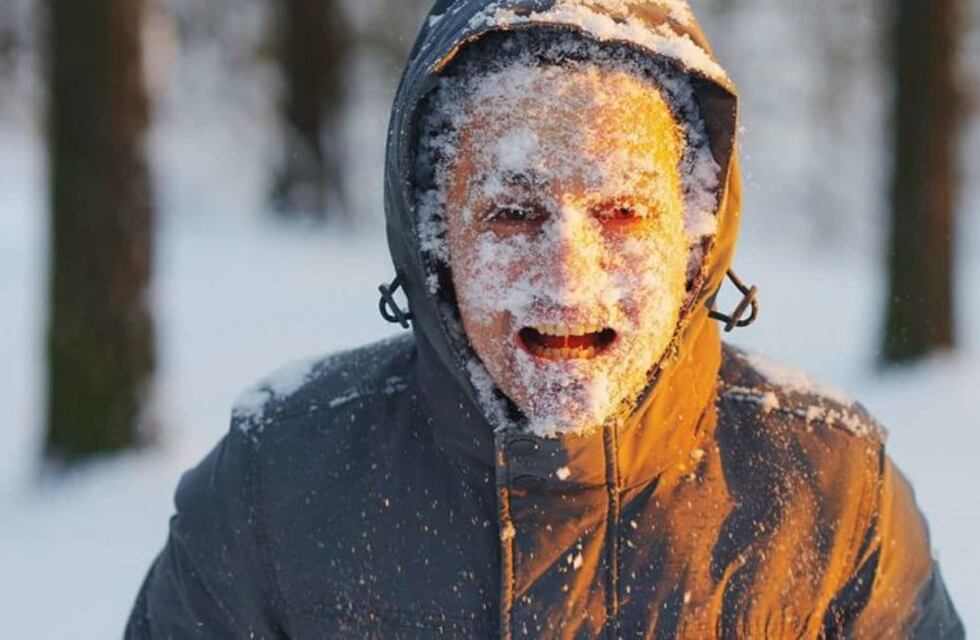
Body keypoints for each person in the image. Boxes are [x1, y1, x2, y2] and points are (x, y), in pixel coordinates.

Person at [126, 1, 964, 638]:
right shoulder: (274, 490)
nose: (568, 279)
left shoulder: (829, 496)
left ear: (695, 234)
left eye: (623, 214)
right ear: (434, 236)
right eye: (513, 214)